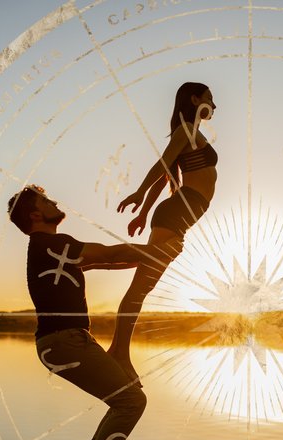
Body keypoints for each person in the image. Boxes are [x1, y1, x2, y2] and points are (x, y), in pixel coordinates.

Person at [8, 184, 174, 440]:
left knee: (127, 397)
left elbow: (108, 262)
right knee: (131, 401)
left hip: (61, 342)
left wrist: (150, 256)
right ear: (35, 214)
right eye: (46, 200)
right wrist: (160, 250)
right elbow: (108, 255)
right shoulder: (51, 245)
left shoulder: (47, 249)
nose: (54, 201)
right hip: (65, 341)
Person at [110, 82, 218, 383]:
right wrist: (139, 194)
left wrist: (144, 211)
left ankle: (118, 352)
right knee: (141, 285)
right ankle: (118, 353)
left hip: (179, 214)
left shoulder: (192, 133)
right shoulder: (186, 130)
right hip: (177, 211)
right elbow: (161, 167)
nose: (215, 104)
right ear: (196, 99)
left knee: (144, 285)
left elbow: (167, 175)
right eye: (210, 98)